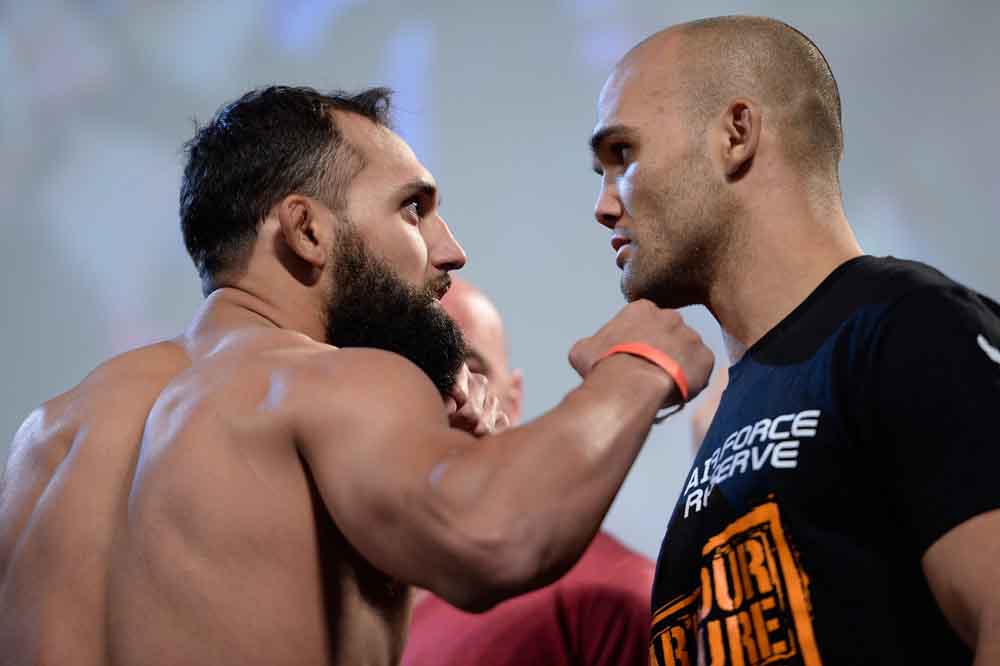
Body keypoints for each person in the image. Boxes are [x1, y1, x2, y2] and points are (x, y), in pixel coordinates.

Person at [0, 86, 714, 666]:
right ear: (306, 230)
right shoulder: (327, 382)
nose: (451, 251)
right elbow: (495, 539)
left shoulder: (47, 437)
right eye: (414, 209)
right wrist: (637, 365)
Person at [590, 15, 1000, 665]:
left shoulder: (910, 328)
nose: (604, 206)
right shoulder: (724, 413)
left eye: (623, 155)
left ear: (736, 134)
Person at [404, 277, 655, 666]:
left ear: (512, 399)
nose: (450, 392)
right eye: (410, 367)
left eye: (468, 367)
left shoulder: (605, 591)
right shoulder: (340, 613)